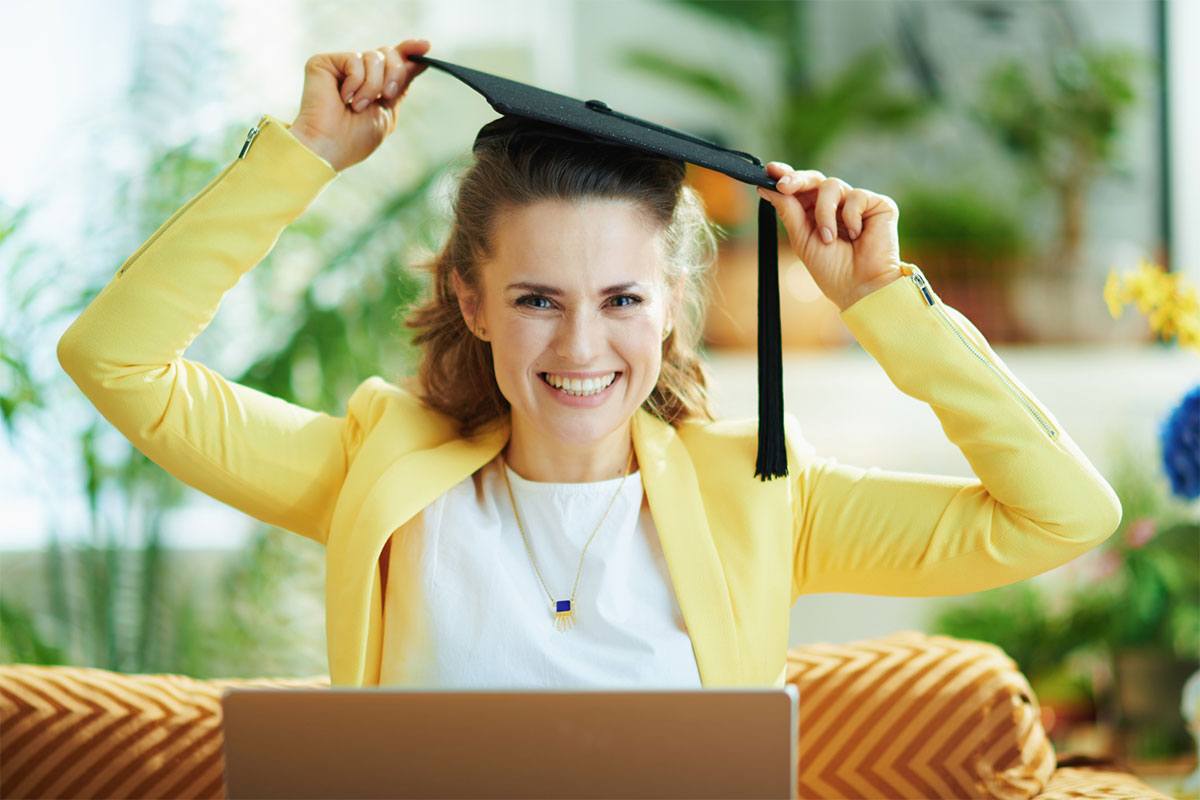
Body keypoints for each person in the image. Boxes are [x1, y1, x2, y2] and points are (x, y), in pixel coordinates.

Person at [57, 39, 1122, 689]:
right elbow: (117, 359)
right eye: (535, 300)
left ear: (668, 313)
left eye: (620, 300)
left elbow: (1062, 516)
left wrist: (885, 305)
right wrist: (305, 154)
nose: (578, 347)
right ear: (471, 299)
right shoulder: (375, 472)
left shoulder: (760, 495)